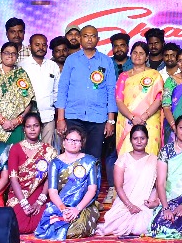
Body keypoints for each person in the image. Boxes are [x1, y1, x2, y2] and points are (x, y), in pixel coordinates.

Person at [54, 25, 117, 163]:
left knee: (93, 158)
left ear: (98, 39)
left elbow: (111, 91)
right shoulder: (71, 60)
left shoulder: (106, 61)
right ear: (80, 39)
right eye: (86, 36)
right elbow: (63, 89)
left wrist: (111, 120)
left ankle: (92, 178)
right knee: (72, 156)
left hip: (98, 118)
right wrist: (60, 118)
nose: (89, 39)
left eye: (93, 36)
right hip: (73, 116)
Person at [35, 127, 101, 240]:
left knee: (76, 230)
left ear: (81, 144)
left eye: (77, 141)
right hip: (61, 204)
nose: (73, 143)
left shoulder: (89, 162)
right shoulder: (55, 163)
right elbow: (53, 191)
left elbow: (92, 190)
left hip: (83, 205)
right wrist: (63, 209)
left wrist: (77, 209)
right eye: (70, 140)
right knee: (49, 228)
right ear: (64, 142)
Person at [96, 123, 161, 237]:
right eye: (135, 138)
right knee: (115, 222)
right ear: (130, 140)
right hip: (124, 203)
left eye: (142, 138)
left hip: (145, 204)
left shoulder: (154, 160)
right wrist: (130, 206)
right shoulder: (123, 159)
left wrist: (154, 202)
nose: (139, 141)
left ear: (147, 140)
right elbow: (118, 187)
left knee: (143, 225)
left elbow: (157, 186)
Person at [7, 113, 57, 235]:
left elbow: (50, 178)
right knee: (18, 224)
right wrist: (24, 203)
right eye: (29, 126)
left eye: (36, 125)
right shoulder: (15, 148)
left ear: (41, 128)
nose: (32, 129)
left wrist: (40, 201)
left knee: (44, 221)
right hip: (19, 193)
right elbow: (13, 179)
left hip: (40, 193)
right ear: (24, 129)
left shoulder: (49, 150)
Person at [115, 42, 164, 156]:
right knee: (127, 156)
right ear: (130, 55)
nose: (138, 56)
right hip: (127, 121)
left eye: (141, 53)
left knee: (149, 154)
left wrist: (144, 117)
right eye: (135, 53)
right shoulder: (123, 76)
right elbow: (119, 100)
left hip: (149, 121)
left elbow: (159, 99)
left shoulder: (155, 75)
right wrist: (132, 118)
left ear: (147, 57)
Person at [0, 41, 33, 144]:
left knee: (17, 152)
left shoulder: (21, 74)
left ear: (17, 56)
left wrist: (18, 120)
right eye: (7, 53)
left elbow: (29, 100)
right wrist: (2, 121)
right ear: (1, 55)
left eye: (13, 53)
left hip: (16, 125)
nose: (10, 56)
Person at [21, 34, 61, 146]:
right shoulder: (21, 66)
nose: (41, 48)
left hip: (48, 116)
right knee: (28, 148)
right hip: (28, 117)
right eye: (37, 45)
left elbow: (57, 92)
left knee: (47, 149)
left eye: (44, 45)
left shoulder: (53, 66)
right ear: (29, 46)